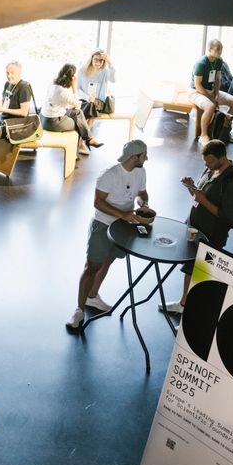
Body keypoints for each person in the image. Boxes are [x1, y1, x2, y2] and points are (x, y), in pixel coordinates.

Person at [68, 140, 151, 331]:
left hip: (123, 226)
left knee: (108, 261)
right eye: (144, 155)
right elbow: (98, 202)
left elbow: (142, 193)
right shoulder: (109, 175)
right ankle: (79, 310)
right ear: (134, 157)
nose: (147, 158)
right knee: (92, 266)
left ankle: (92, 297)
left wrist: (143, 204)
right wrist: (122, 214)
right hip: (103, 225)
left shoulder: (141, 171)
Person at [162, 139, 233, 315]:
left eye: (210, 162)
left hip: (212, 236)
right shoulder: (211, 170)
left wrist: (203, 200)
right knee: (190, 268)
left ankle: (191, 314)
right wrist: (191, 187)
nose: (207, 166)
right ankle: (184, 304)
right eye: (205, 162)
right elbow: (201, 196)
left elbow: (228, 217)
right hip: (195, 229)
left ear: (222, 158)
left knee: (200, 274)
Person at [42, 63, 102, 155]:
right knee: (80, 124)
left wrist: (74, 104)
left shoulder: (53, 84)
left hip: (44, 118)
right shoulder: (62, 91)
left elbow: (61, 103)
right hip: (53, 122)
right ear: (71, 77)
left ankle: (88, 140)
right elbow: (76, 105)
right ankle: (76, 150)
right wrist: (74, 87)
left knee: (78, 113)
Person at [190, 39, 233, 145]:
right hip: (196, 92)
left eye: (221, 49)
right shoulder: (201, 63)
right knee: (210, 106)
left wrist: (216, 94)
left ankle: (225, 132)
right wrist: (211, 98)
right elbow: (197, 85)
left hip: (210, 91)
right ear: (210, 49)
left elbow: (217, 79)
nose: (220, 52)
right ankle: (203, 136)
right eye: (218, 49)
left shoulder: (219, 61)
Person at [76, 49, 116, 121]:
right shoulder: (82, 71)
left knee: (91, 105)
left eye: (101, 60)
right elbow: (78, 89)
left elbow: (113, 80)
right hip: (84, 100)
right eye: (96, 59)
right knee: (88, 105)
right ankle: (85, 127)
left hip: (99, 102)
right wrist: (87, 97)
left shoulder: (105, 71)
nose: (98, 62)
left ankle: (81, 125)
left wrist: (110, 63)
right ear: (91, 59)